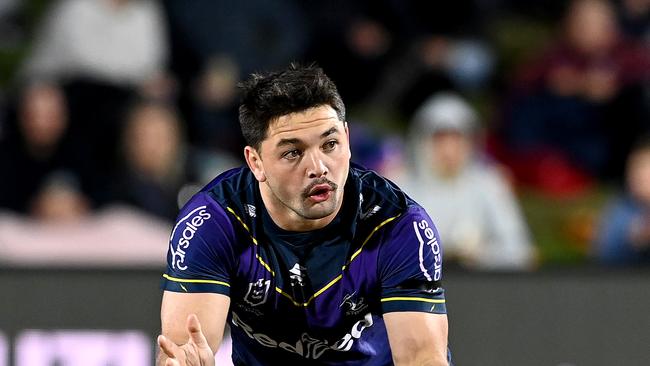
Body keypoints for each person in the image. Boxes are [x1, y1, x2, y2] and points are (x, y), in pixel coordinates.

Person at [156, 64, 451, 365]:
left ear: (347, 141)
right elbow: (182, 350)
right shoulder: (215, 221)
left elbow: (422, 357)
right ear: (255, 162)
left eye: (330, 144)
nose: (318, 167)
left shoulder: (396, 224)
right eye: (293, 153)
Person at [401, 93, 535, 270]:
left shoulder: (489, 184)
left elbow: (520, 250)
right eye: (440, 141)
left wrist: (480, 255)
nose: (449, 151)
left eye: (457, 141)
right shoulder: (400, 188)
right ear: (421, 142)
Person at [594, 137, 650, 264]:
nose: (639, 178)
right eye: (635, 171)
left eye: (646, 172)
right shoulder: (621, 210)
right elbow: (604, 253)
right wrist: (636, 237)